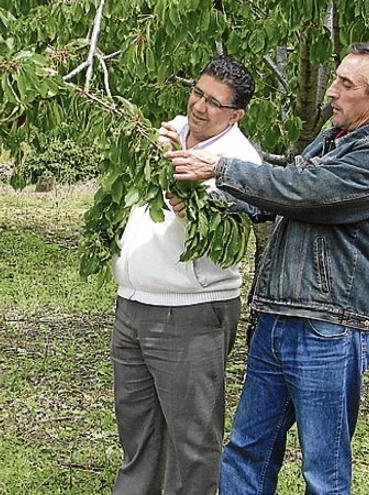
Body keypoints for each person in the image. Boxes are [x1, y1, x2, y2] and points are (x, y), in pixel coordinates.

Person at [167, 42, 369, 494]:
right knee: (247, 451)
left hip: (330, 330)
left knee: (323, 470)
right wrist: (211, 203)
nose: (332, 93)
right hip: (279, 318)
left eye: (346, 84)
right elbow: (280, 198)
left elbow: (306, 191)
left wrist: (220, 169)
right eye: (335, 79)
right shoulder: (334, 138)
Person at [110, 55, 261, 494]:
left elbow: (223, 236)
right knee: (137, 432)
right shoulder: (172, 130)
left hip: (190, 313)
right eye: (198, 92)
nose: (199, 106)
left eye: (215, 102)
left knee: (191, 441)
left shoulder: (238, 161)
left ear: (237, 114)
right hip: (134, 304)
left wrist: (186, 194)